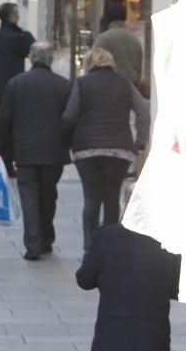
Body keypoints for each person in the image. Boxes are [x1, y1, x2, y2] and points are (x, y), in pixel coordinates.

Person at [61, 47, 149, 252]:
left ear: (89, 64)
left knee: (91, 199)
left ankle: (90, 247)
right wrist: (140, 140)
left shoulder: (82, 84)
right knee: (111, 198)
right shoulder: (125, 84)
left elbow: (69, 116)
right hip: (119, 149)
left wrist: (68, 139)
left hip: (87, 149)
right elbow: (143, 111)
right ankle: (109, 247)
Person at [0, 42, 71, 260]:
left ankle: (33, 243)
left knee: (29, 196)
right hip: (54, 152)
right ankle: (46, 238)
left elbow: (4, 118)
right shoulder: (64, 85)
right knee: (48, 195)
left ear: (30, 58)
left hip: (25, 151)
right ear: (51, 59)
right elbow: (70, 119)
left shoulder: (17, 83)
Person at [0, 3, 36, 158]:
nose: (19, 16)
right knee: (13, 129)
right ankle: (9, 162)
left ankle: (0, 159)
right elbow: (34, 51)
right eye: (17, 13)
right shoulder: (18, 38)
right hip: (13, 90)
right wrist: (25, 34)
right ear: (12, 16)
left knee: (0, 129)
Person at [94, 0, 143, 92]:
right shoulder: (135, 40)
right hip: (131, 94)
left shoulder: (103, 39)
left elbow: (94, 73)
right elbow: (138, 72)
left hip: (108, 93)